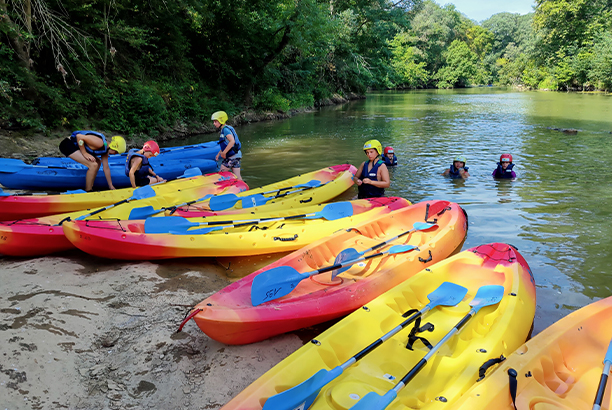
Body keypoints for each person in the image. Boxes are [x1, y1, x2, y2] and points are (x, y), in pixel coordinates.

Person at [59, 130, 126, 191]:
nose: (115, 154)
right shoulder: (99, 143)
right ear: (113, 148)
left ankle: (91, 185)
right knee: (93, 165)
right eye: (116, 152)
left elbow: (106, 168)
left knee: (98, 162)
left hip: (76, 147)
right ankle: (88, 190)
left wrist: (111, 186)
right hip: (67, 145)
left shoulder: (105, 150)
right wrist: (84, 153)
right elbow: (79, 137)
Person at [212, 111, 243, 180]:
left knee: (221, 174)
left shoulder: (225, 130)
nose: (214, 124)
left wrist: (224, 152)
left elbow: (232, 141)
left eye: (215, 122)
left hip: (232, 157)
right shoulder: (227, 128)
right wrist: (219, 153)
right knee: (238, 177)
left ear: (221, 120)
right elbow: (226, 143)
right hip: (236, 155)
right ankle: (243, 188)